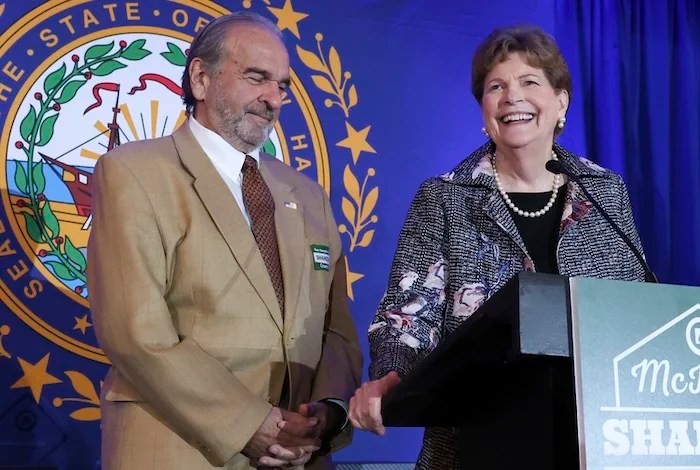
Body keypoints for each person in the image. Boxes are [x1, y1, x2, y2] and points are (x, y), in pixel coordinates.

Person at [348, 24, 647, 468]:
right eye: (496, 87)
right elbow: (406, 317)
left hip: (597, 440)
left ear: (561, 101)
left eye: (530, 82)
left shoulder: (604, 192)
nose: (512, 98)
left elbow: (632, 308)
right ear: (484, 109)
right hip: (476, 441)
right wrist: (393, 374)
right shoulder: (446, 197)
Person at [87, 12, 362, 470]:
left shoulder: (309, 195)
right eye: (256, 78)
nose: (273, 99)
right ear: (200, 77)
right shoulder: (133, 172)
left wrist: (327, 413)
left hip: (301, 457)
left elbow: (337, 330)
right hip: (178, 449)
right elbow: (135, 332)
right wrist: (246, 423)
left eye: (283, 86)